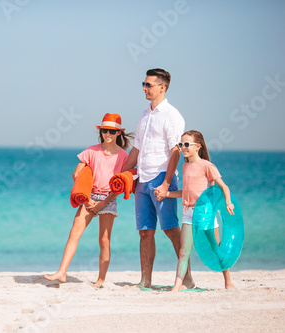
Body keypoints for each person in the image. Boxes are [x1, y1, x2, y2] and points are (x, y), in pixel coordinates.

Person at [122, 68, 193, 289]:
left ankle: (187, 278)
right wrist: (122, 174)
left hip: (162, 177)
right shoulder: (145, 114)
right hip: (142, 179)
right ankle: (145, 281)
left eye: (148, 85)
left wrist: (165, 183)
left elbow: (175, 151)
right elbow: (136, 148)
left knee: (171, 230)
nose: (144, 88)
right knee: (145, 232)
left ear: (162, 87)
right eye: (143, 84)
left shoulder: (172, 115)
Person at [44, 113, 133, 287]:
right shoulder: (91, 151)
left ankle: (100, 280)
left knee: (104, 240)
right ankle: (62, 272)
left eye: (112, 131)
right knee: (74, 233)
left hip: (108, 199)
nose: (108, 134)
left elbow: (120, 185)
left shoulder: (124, 156)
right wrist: (85, 199)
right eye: (105, 131)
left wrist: (102, 203)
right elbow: (76, 175)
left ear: (118, 134)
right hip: (89, 196)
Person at [155, 130, 236, 291]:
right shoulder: (185, 166)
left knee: (215, 247)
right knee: (183, 251)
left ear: (197, 146)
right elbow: (186, 192)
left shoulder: (207, 166)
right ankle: (177, 286)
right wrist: (167, 194)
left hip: (205, 213)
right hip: (188, 213)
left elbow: (224, 187)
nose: (183, 147)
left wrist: (228, 202)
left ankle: (228, 280)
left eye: (186, 144)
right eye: (181, 145)